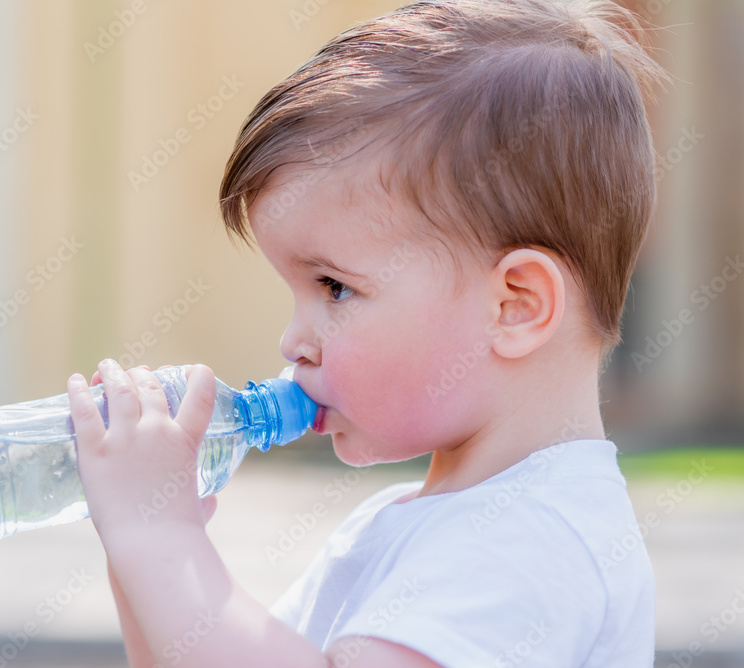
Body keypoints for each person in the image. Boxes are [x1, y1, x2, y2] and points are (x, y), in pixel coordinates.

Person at [66, 1, 667, 665]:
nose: (293, 342)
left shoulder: (535, 539)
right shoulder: (401, 525)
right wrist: (139, 547)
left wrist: (161, 536)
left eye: (335, 288)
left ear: (515, 306)